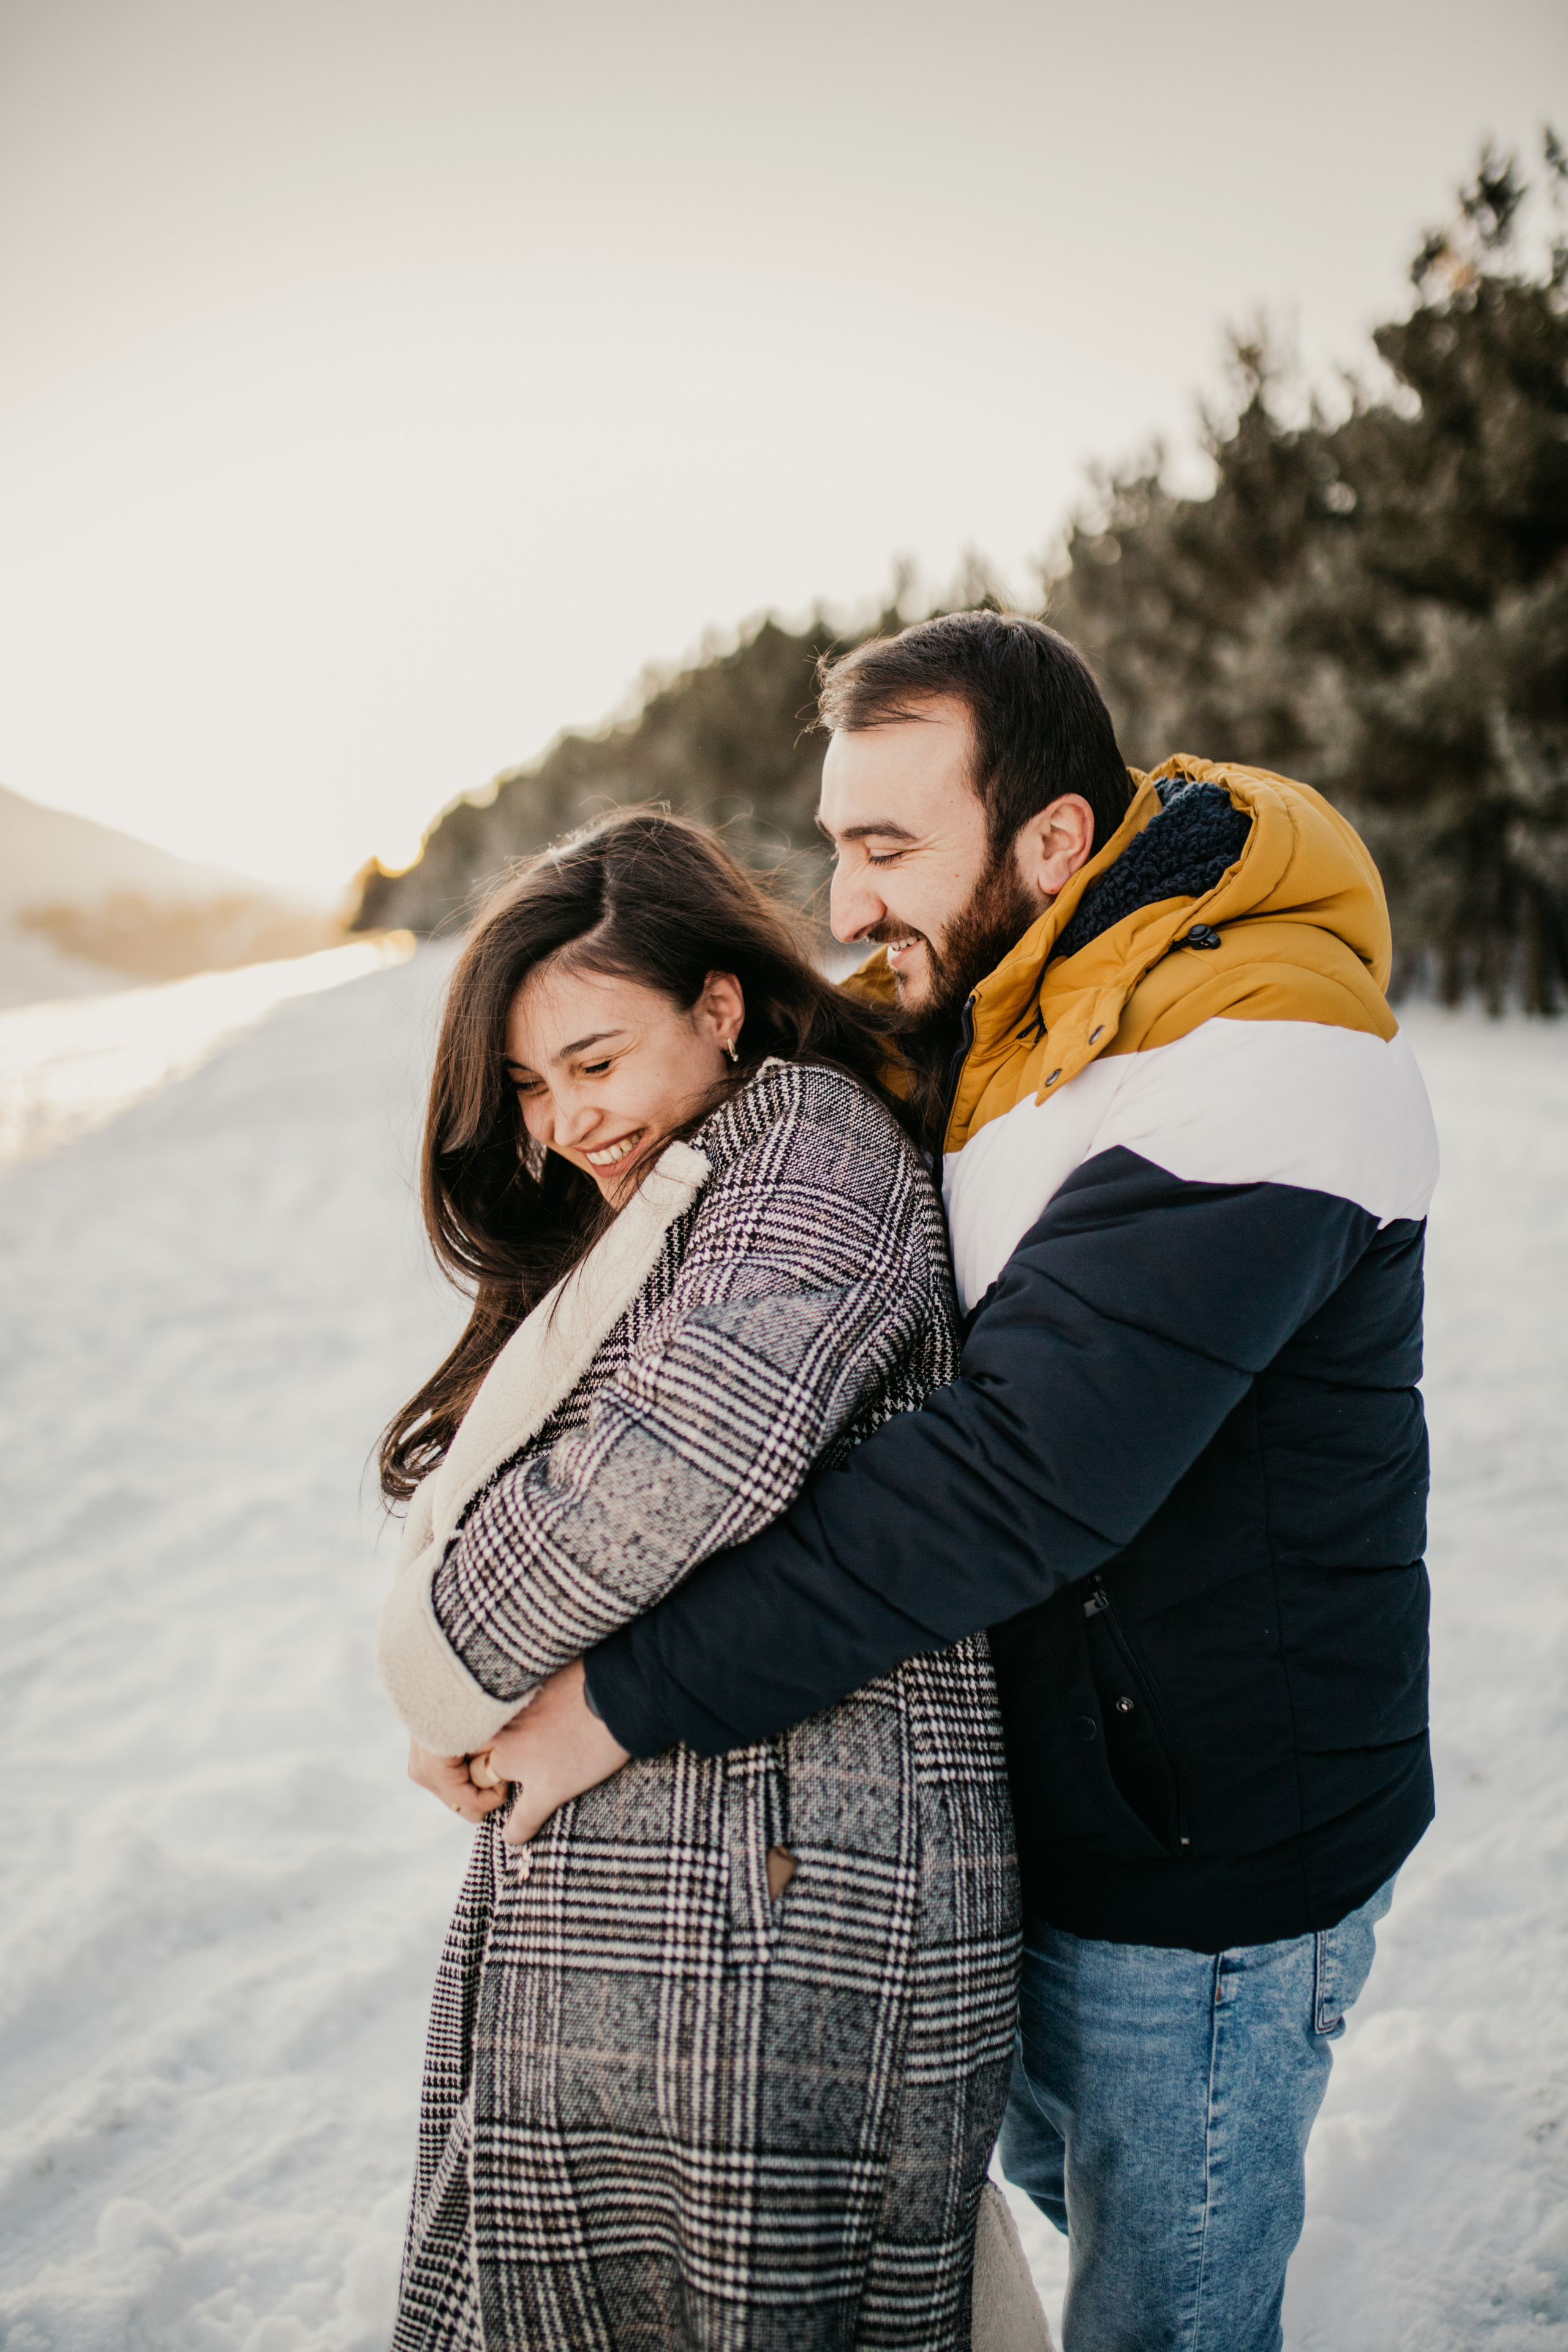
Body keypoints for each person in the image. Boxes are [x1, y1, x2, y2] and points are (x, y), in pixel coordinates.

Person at [490, 613, 1442, 2352]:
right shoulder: (1005, 1008)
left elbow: (1013, 1480)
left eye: (888, 849)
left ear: (1053, 842)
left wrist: (617, 1696)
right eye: (837, 843)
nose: (847, 905)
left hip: (1213, 1863)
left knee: (1166, 2318)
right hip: (1051, 1831)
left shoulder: (1261, 1055)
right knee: (1083, 2217)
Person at [374, 810, 1028, 2351]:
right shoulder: (680, 1192)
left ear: (718, 1006)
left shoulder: (801, 1142)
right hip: (703, 1892)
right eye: (531, 1089)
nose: (563, 1125)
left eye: (596, 1063)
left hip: (780, 1898)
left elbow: (671, 1473)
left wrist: (440, 1659)